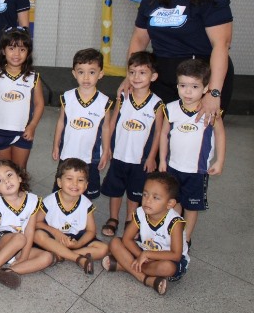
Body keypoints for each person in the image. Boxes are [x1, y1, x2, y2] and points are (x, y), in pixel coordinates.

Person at [121, 0, 234, 123]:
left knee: (192, 136)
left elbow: (221, 45)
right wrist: (131, 76)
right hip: (161, 76)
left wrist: (213, 92)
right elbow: (139, 39)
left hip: (199, 78)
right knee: (157, 135)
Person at [158, 59, 225, 247]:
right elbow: (163, 134)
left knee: (191, 206)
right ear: (177, 85)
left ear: (206, 88)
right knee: (174, 202)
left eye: (194, 86)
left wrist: (219, 161)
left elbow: (220, 134)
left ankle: (185, 239)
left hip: (197, 171)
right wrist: (162, 159)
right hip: (173, 167)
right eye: (183, 85)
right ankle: (173, 235)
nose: (187, 92)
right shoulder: (170, 108)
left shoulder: (211, 111)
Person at [101, 51, 164, 237]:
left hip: (140, 159)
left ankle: (131, 219)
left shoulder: (157, 104)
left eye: (142, 73)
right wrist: (107, 147)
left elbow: (159, 132)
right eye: (132, 72)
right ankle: (113, 218)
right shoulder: (123, 97)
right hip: (119, 154)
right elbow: (112, 122)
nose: (136, 77)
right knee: (115, 189)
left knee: (135, 192)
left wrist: (151, 157)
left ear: (153, 76)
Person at [104, 172, 189, 295]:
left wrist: (147, 255)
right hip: (144, 251)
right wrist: (141, 256)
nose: (148, 201)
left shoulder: (175, 222)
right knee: (115, 242)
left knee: (167, 268)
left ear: (170, 203)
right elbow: (127, 239)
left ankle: (124, 266)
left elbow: (176, 255)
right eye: (145, 194)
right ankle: (145, 278)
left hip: (167, 258)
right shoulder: (140, 212)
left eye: (156, 197)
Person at [0, 159, 52, 289]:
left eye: (9, 175)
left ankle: (4, 272)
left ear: (19, 177)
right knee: (20, 238)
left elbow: (30, 231)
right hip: (1, 243)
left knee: (47, 257)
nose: (6, 181)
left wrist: (24, 257)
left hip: (21, 245)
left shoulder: (32, 201)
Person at [52, 48, 112, 199]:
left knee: (86, 196)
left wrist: (106, 150)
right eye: (81, 72)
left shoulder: (104, 102)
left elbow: (106, 128)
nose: (86, 77)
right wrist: (56, 145)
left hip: (90, 158)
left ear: (101, 73)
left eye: (91, 72)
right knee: (62, 192)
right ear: (74, 73)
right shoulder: (67, 97)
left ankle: (83, 214)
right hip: (67, 154)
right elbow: (61, 122)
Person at [0, 27, 44, 172]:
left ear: (28, 52)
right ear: (3, 51)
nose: (16, 54)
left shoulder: (33, 78)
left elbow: (39, 104)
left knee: (19, 170)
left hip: (23, 132)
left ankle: (22, 188)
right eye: (11, 48)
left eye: (22, 49)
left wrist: (32, 126)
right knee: (4, 170)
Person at [35, 158, 109, 275]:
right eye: (69, 179)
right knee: (37, 235)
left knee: (103, 248)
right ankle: (76, 257)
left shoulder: (86, 204)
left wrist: (78, 244)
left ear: (86, 185)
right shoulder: (50, 201)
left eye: (80, 180)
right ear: (59, 182)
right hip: (54, 236)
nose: (75, 184)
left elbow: (91, 231)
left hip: (76, 238)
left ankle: (61, 255)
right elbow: (37, 222)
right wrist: (56, 233)